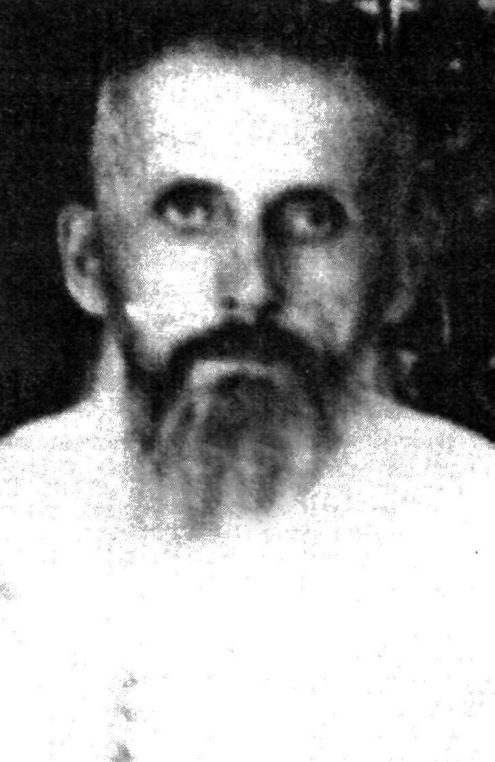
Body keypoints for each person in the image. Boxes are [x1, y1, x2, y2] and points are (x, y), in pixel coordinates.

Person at [0, 2, 493, 761]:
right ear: (88, 260)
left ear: (400, 269)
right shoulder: (17, 515)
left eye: (311, 219)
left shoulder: (474, 535)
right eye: (190, 212)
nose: (253, 288)